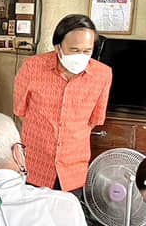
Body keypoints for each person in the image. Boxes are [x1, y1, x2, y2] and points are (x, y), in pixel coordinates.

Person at [13, 14, 111, 193]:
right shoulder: (32, 67)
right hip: (36, 165)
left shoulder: (103, 75)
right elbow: (20, 111)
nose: (81, 56)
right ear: (58, 47)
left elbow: (95, 119)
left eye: (87, 51)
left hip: (73, 169)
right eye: (74, 50)